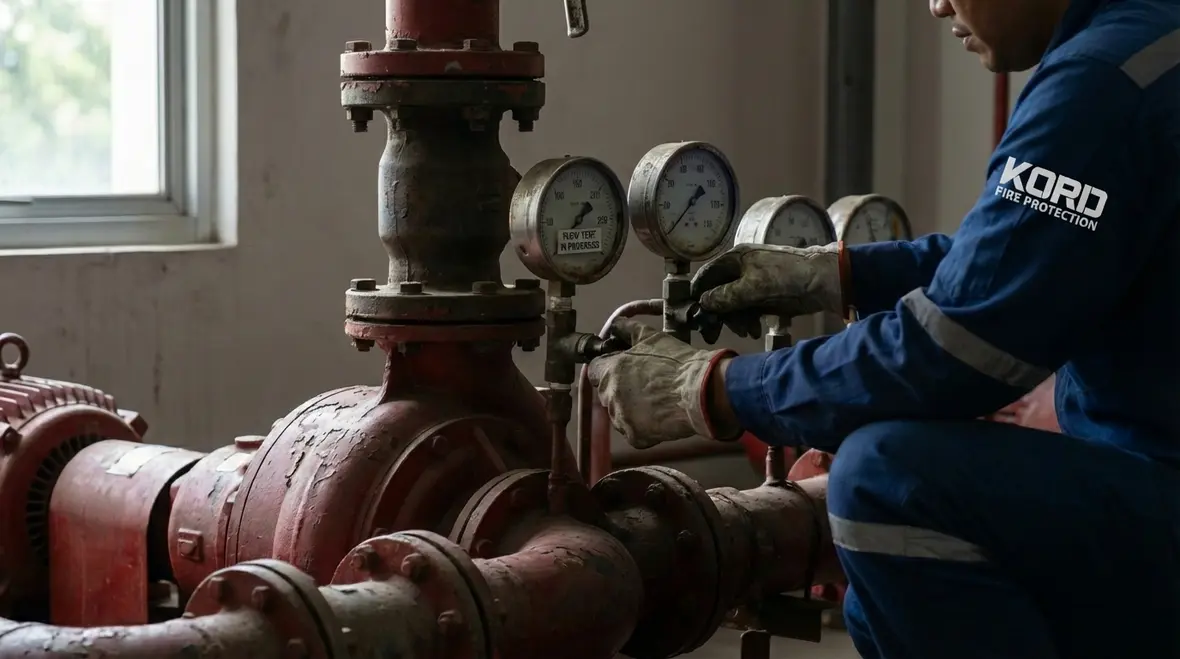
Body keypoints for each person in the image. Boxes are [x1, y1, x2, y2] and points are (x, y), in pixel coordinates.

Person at [586, 0, 1180, 656]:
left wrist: (713, 388)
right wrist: (839, 273)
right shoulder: (1151, 43)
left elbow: (951, 351)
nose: (935, 5)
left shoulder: (1102, 83)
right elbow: (1027, 254)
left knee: (885, 482)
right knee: (877, 596)